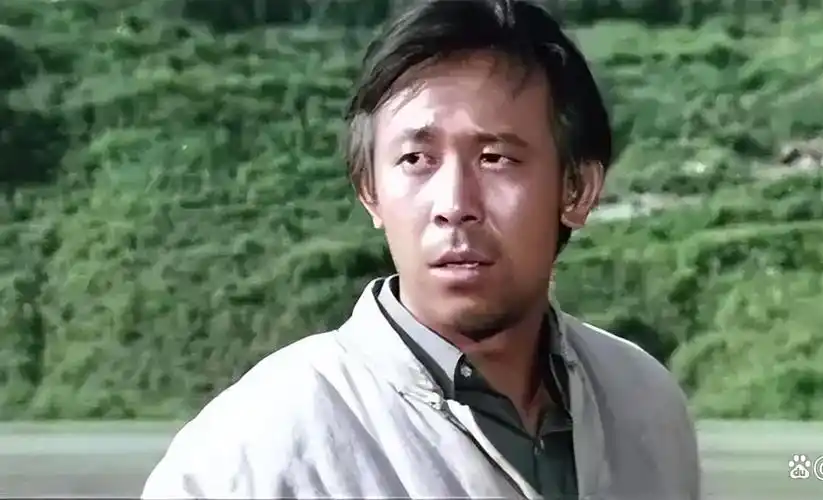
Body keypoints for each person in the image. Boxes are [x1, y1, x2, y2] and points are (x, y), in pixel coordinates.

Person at [142, 0, 701, 498]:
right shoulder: (256, 449)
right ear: (370, 191)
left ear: (576, 190)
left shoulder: (642, 403)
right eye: (416, 160)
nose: (454, 205)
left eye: (496, 158)